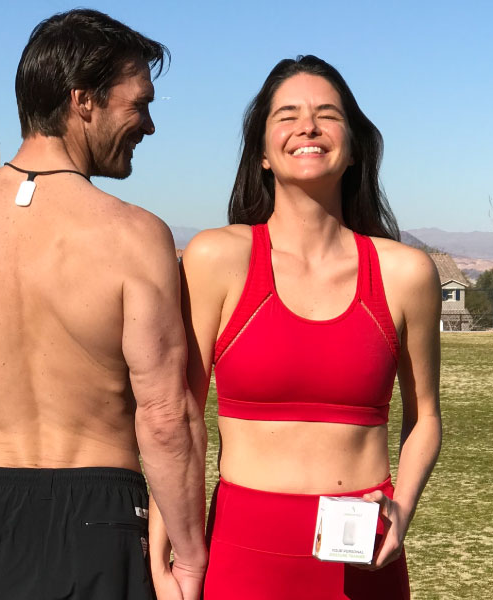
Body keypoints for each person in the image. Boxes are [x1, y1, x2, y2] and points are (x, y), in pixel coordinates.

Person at [0, 9, 207, 600]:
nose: (150, 126)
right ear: (84, 100)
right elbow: (165, 415)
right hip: (104, 517)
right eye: (140, 104)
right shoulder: (136, 236)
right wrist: (188, 556)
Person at [150, 55, 442, 599]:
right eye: (287, 115)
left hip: (363, 563)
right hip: (242, 556)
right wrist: (163, 554)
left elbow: (424, 418)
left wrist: (401, 508)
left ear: (353, 147)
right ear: (261, 151)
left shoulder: (406, 272)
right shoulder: (217, 257)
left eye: (326, 114)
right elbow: (180, 417)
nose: (307, 126)